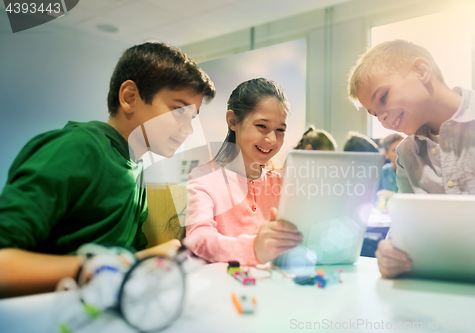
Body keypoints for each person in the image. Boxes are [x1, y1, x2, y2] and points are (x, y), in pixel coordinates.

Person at [0, 42, 216, 297]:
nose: (188, 129)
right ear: (129, 97)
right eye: (178, 110)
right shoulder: (78, 149)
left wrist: (152, 259)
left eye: (192, 117)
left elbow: (127, 255)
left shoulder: (135, 166)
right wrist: (98, 267)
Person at [347, 39, 475, 278]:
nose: (382, 119)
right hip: (438, 290)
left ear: (422, 71)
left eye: (384, 97)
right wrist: (391, 254)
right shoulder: (407, 155)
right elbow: (405, 229)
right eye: (375, 114)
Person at [184, 78, 303, 265]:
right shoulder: (204, 179)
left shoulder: (283, 183)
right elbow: (198, 238)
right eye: (262, 126)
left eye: (280, 130)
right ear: (233, 121)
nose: (272, 139)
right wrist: (254, 248)